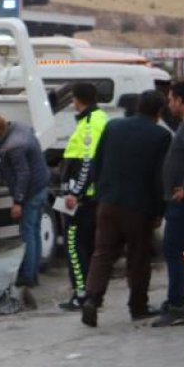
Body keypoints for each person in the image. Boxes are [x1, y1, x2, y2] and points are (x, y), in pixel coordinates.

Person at [80, 90, 170, 327]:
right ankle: (138, 305)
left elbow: (96, 163)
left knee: (103, 253)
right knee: (138, 257)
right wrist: (159, 210)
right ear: (159, 112)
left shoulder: (114, 127)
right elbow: (158, 177)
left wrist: (100, 193)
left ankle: (92, 298)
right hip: (139, 207)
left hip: (108, 202)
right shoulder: (160, 136)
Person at [58, 82, 109, 311]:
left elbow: (87, 162)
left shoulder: (90, 124)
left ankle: (80, 295)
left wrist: (75, 193)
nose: (71, 103)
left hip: (80, 200)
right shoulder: (98, 119)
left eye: (73, 99)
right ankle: (90, 295)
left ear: (78, 99)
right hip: (89, 198)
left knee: (74, 246)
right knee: (87, 248)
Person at [0, 113, 51, 287]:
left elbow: (23, 174)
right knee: (35, 231)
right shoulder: (20, 127)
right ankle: (34, 272)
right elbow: (7, 139)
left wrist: (18, 202)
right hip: (41, 185)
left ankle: (27, 276)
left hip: (30, 192)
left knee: (27, 233)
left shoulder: (14, 147)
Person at [155, 81, 184, 327]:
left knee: (172, 249)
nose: (169, 104)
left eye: (171, 99)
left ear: (179, 100)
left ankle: (177, 305)